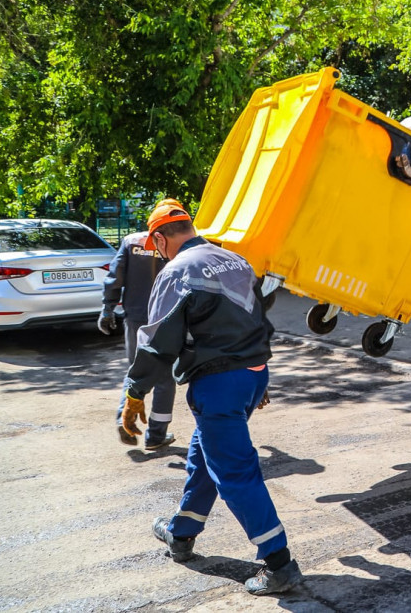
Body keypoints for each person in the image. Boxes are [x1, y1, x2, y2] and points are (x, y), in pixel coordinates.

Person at [119, 202, 302, 595]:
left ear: (159, 238)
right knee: (204, 455)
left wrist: (135, 393)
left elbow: (157, 344)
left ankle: (279, 562)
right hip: (252, 376)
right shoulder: (232, 260)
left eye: (156, 246)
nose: (157, 252)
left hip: (219, 384)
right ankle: (181, 533)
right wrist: (257, 375)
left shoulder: (176, 272)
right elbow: (256, 318)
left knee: (236, 471)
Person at [100, 199, 181, 450]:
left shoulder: (131, 242)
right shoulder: (178, 245)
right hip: (166, 317)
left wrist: (107, 308)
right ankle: (156, 435)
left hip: (135, 315)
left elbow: (115, 277)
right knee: (165, 376)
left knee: (136, 370)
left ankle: (123, 420)